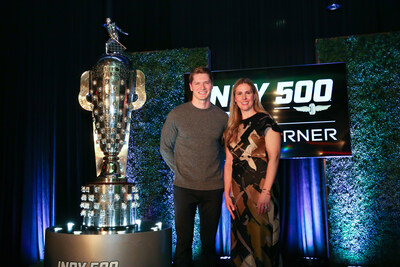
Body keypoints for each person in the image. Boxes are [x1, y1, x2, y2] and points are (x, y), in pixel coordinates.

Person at [160, 66, 228, 267]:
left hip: (213, 188)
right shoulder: (177, 114)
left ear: (211, 85)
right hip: (184, 187)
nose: (202, 87)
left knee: (209, 245)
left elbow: (226, 150)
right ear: (191, 86)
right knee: (183, 243)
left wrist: (217, 169)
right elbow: (165, 147)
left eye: (206, 82)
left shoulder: (222, 117)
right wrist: (180, 169)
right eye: (197, 83)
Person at [223, 78, 282, 267]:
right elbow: (229, 162)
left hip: (260, 191)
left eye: (248, 92)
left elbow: (274, 158)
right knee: (242, 246)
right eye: (239, 93)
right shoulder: (232, 127)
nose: (244, 97)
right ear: (234, 99)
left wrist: (265, 192)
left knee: (261, 245)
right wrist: (227, 193)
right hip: (238, 195)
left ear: (254, 95)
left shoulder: (266, 121)